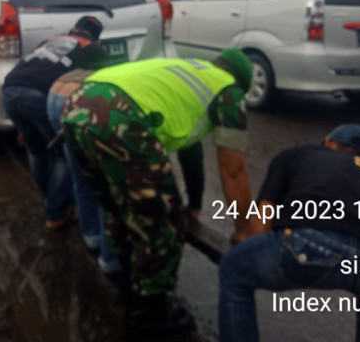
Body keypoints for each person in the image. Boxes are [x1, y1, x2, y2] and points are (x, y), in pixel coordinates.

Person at [61, 50, 254, 337]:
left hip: (77, 104)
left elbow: (191, 154)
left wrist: (194, 204)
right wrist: (244, 229)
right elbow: (233, 170)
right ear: (242, 84)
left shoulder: (195, 74)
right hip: (119, 115)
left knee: (119, 208)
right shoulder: (229, 91)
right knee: (162, 223)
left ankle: (130, 289)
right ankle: (147, 318)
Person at [217, 124, 360, 342]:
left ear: (329, 143)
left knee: (234, 268)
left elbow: (261, 222)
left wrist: (246, 244)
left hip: (314, 241)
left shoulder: (298, 154)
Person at [2, 16, 107, 229]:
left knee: (35, 150)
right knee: (63, 154)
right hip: (39, 96)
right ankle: (56, 213)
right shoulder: (94, 48)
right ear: (97, 38)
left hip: (9, 90)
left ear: (74, 28)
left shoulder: (50, 39)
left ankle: (51, 199)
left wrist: (22, 127)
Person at [47, 68, 121, 274]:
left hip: (55, 94)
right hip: (83, 99)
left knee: (80, 176)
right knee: (107, 185)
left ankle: (91, 236)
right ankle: (110, 259)